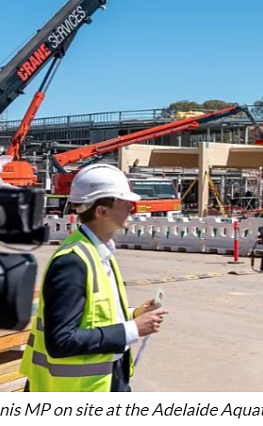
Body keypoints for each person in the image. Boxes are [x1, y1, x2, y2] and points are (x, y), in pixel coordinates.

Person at [21, 164, 169, 392]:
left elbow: (94, 314)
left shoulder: (99, 252)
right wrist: (132, 329)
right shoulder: (72, 262)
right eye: (124, 203)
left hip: (107, 377)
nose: (133, 208)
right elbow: (60, 341)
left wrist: (133, 314)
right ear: (102, 211)